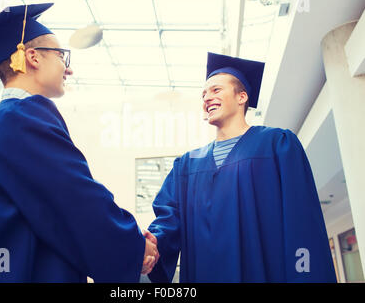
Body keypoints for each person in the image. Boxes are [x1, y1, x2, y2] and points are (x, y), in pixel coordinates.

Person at [0, 3, 158, 282]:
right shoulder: (22, 118)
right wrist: (133, 245)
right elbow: (75, 198)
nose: (68, 70)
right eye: (61, 56)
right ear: (32, 57)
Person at [143, 52, 337, 282]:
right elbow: (168, 219)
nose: (206, 98)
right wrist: (149, 246)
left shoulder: (277, 146)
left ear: (242, 96)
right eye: (204, 94)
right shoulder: (186, 166)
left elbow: (301, 221)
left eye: (216, 90)